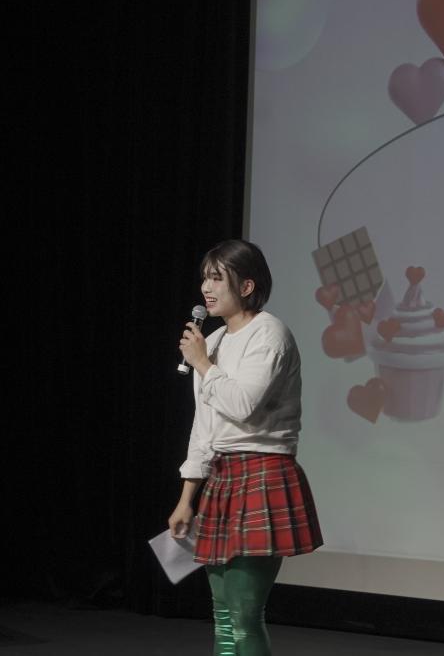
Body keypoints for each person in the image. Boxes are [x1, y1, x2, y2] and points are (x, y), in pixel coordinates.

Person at [168, 239, 322, 656]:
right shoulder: (215, 339)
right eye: (205, 278)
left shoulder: (269, 333)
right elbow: (205, 428)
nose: (207, 287)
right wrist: (186, 499)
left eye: (217, 278)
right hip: (222, 476)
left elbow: (242, 406)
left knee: (244, 613)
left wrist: (203, 363)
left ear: (247, 285)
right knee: (221, 612)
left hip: (263, 473)